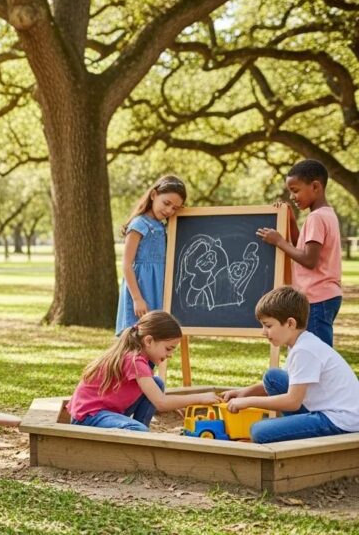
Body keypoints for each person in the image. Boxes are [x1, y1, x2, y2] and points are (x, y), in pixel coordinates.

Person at [222, 286, 359, 444]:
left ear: (290, 323)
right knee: (272, 377)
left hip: (341, 420)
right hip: (328, 411)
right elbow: (290, 382)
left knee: (258, 431)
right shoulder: (299, 343)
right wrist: (245, 392)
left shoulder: (305, 350)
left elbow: (292, 402)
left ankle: (298, 432)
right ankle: (298, 429)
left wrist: (248, 402)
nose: (263, 332)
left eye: (268, 326)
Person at [68, 311, 220, 431]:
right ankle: (140, 433)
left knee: (157, 383)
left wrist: (176, 404)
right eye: (168, 348)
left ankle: (141, 432)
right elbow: (161, 403)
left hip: (108, 413)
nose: (170, 355)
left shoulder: (139, 358)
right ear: (148, 341)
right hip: (89, 417)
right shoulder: (134, 360)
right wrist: (200, 398)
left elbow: (157, 396)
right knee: (135, 429)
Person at [256, 159, 342, 347]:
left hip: (317, 297)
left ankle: (321, 378)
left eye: (295, 190)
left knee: (317, 351)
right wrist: (291, 221)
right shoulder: (326, 214)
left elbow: (309, 260)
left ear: (315, 186)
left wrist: (279, 241)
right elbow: (301, 249)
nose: (292, 196)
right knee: (310, 348)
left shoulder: (316, 218)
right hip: (324, 296)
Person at [115, 175, 187, 335]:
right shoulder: (139, 224)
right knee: (137, 334)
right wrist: (137, 299)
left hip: (158, 286)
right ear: (154, 195)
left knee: (155, 334)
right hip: (140, 287)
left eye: (175, 208)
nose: (169, 210)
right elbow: (126, 264)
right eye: (166, 203)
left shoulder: (163, 227)